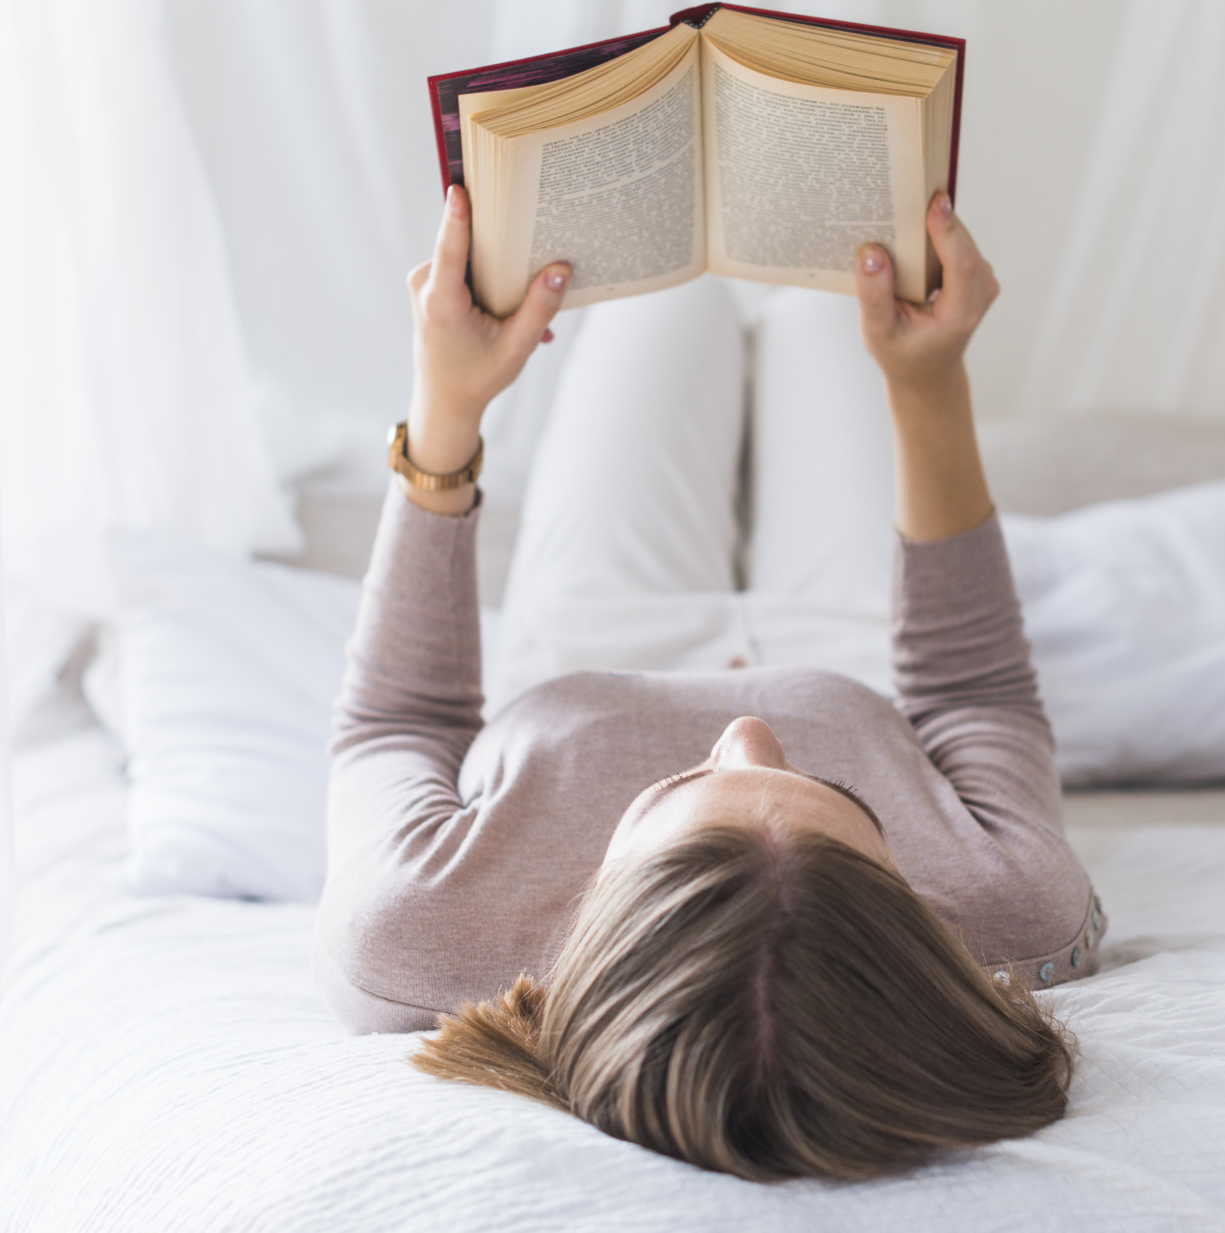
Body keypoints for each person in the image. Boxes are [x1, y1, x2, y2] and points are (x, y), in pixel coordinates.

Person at [314, 185, 1105, 1181]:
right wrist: (929, 383)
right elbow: (976, 692)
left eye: (678, 788)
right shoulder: (1013, 909)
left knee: (662, 298)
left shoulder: (412, 934)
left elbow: (398, 719)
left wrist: (445, 408)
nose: (743, 726)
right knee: (834, 292)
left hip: (589, 643)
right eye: (834, 793)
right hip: (848, 639)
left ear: (601, 906)